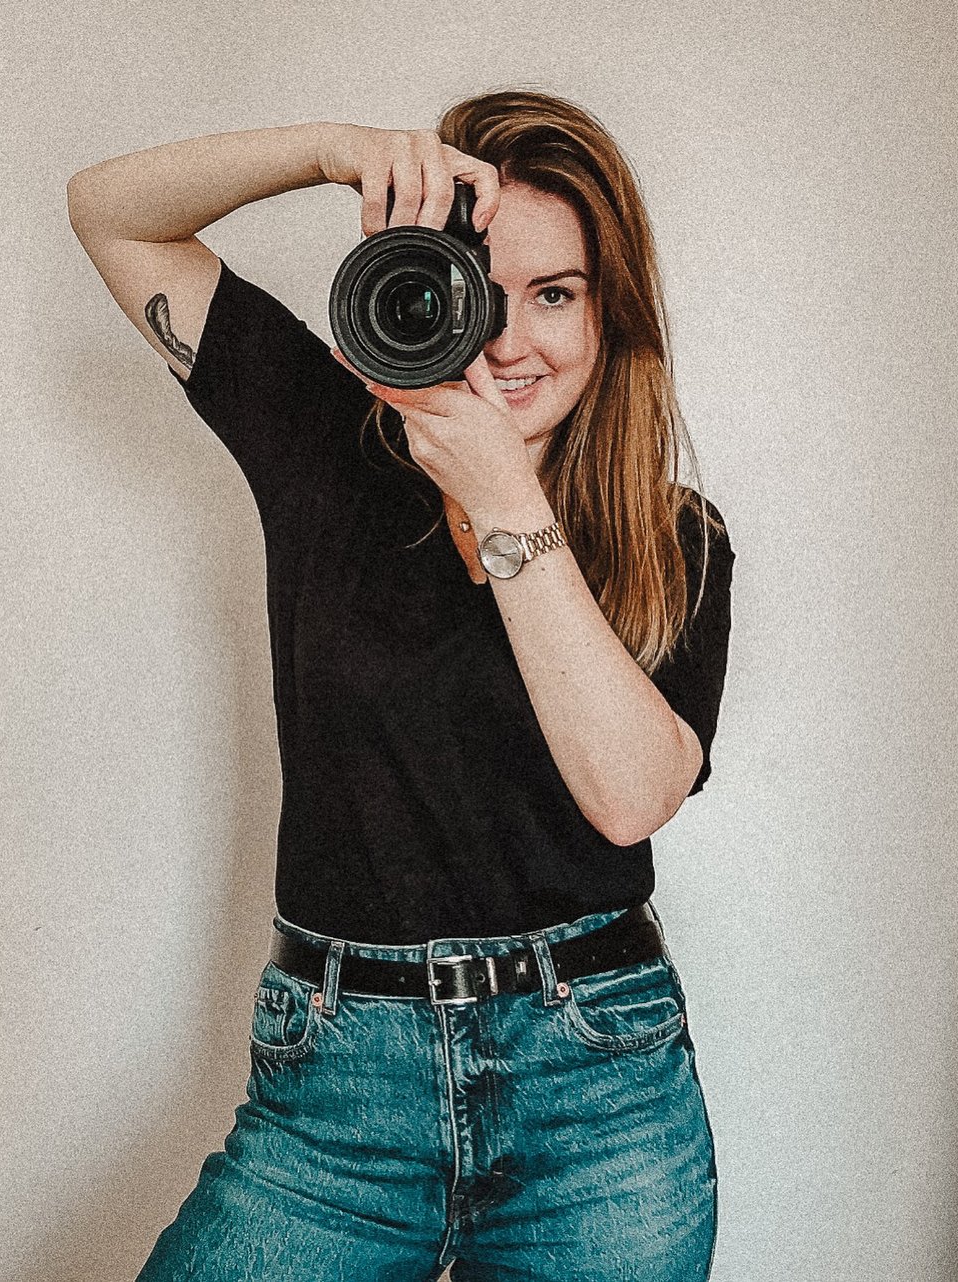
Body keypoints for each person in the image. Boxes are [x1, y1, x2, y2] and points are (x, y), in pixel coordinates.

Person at [67, 87, 735, 1282]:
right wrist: (332, 148)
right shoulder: (326, 446)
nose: (511, 341)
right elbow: (111, 215)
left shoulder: (668, 536)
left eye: (559, 294)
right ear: (423, 284)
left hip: (597, 1098)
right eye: (485, 289)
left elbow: (631, 797)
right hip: (332, 1098)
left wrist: (509, 504)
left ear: (610, 315)